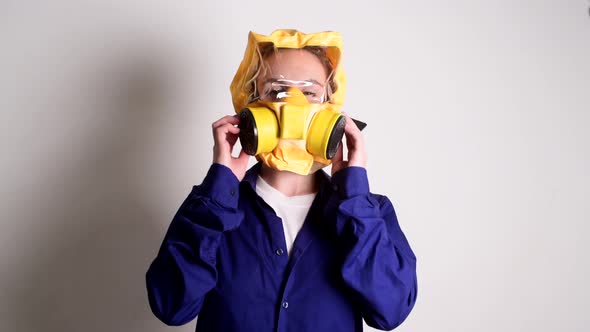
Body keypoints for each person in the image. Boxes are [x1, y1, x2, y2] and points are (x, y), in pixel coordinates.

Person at [145, 29, 417, 332]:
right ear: (249, 105)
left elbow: (390, 311)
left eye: (310, 92)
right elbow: (171, 306)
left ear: (332, 109)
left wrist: (352, 192)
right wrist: (220, 186)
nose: (294, 107)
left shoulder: (369, 213)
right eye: (277, 91)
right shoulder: (212, 209)